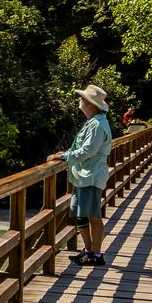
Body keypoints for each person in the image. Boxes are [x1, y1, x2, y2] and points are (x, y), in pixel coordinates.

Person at [48, 84, 113, 267]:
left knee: (93, 215)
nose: (80, 100)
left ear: (91, 104)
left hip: (91, 176)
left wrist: (64, 156)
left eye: (83, 98)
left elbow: (88, 151)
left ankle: (97, 255)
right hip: (83, 176)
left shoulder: (98, 125)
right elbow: (82, 148)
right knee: (79, 213)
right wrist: (65, 154)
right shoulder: (93, 122)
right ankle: (89, 250)